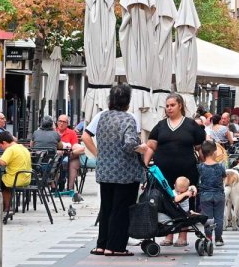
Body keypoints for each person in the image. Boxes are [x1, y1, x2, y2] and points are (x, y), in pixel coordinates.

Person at [82, 83, 148, 256]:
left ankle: (101, 245)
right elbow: (130, 144)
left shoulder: (102, 116)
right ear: (127, 100)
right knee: (122, 208)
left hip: (105, 170)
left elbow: (86, 136)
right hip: (125, 172)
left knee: (107, 207)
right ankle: (116, 247)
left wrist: (98, 154)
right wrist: (142, 148)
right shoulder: (129, 118)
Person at [146, 93, 206, 247]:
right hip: (163, 173)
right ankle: (168, 233)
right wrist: (145, 164)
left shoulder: (191, 125)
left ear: (180, 105)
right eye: (167, 106)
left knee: (185, 202)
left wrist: (205, 163)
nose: (169, 108)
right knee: (165, 201)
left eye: (172, 105)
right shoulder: (160, 125)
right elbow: (151, 146)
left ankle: (183, 235)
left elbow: (200, 147)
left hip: (186, 172)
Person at [0, 130, 30, 218]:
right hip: (25, 178)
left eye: (0, 146)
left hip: (14, 179)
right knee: (3, 184)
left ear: (4, 142)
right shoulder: (22, 147)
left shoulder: (10, 149)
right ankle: (7, 207)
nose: (1, 148)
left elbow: (2, 162)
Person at [197, 140, 227, 246]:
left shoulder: (200, 167)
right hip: (219, 195)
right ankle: (218, 239)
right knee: (219, 218)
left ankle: (208, 238)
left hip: (205, 196)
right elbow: (224, 176)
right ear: (214, 152)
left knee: (208, 218)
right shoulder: (220, 166)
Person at [55, 114, 87, 201]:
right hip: (56, 155)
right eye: (60, 121)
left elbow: (75, 146)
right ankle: (55, 187)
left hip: (69, 155)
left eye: (64, 122)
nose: (61, 123)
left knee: (72, 162)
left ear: (67, 123)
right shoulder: (53, 132)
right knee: (56, 161)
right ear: (57, 122)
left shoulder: (71, 132)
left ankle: (70, 187)